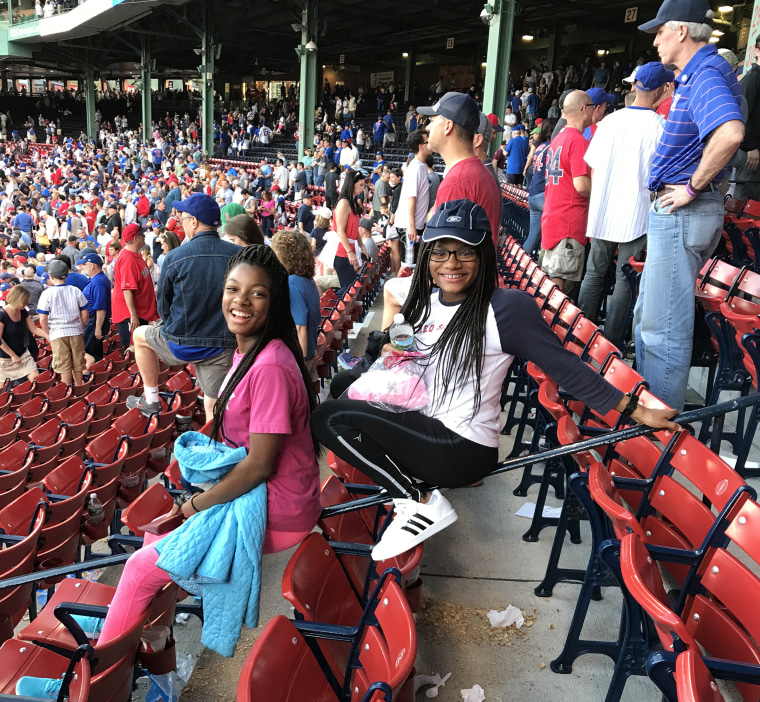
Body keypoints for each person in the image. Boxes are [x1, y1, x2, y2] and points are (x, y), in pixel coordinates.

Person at [14, 246, 322, 699]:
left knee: (139, 570)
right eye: (233, 289)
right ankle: (160, 663)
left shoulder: (272, 364)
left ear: (274, 301)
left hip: (279, 507)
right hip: (273, 494)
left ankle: (85, 683)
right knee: (158, 544)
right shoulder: (252, 351)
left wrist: (194, 504)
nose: (241, 300)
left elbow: (259, 464)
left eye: (256, 293)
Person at [312, 199, 680, 561]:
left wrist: (634, 409)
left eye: (464, 252)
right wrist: (393, 345)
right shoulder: (428, 299)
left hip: (461, 446)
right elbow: (402, 317)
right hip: (428, 423)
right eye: (439, 252)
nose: (450, 264)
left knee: (326, 418)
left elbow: (565, 366)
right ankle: (411, 499)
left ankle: (417, 500)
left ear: (483, 254)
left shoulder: (506, 307)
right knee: (346, 384)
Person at [634, 0, 745, 410]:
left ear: (681, 31)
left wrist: (692, 188)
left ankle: (657, 434)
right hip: (683, 211)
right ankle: (647, 414)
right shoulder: (699, 73)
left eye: (660, 31)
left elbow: (731, 132)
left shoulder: (706, 71)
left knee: (663, 328)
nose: (656, 39)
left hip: (684, 209)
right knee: (651, 319)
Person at [577, 63, 669, 348]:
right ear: (660, 89)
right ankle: (611, 345)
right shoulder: (660, 126)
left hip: (604, 208)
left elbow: (590, 164)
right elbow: (660, 177)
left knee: (594, 273)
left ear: (634, 87)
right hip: (636, 212)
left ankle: (580, 338)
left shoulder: (608, 122)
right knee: (623, 280)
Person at [127, 194, 239, 420]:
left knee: (139, 335)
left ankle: (151, 400)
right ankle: (216, 449)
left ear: (195, 222)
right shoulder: (238, 254)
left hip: (182, 343)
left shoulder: (174, 257)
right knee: (213, 407)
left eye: (184, 219)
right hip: (224, 344)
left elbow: (165, 309)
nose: (182, 223)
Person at [419, 92, 501, 248]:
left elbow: (446, 256)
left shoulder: (458, 181)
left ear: (448, 126)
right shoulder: (474, 170)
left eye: (431, 121)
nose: (427, 128)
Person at [540, 90, 594, 296]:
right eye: (591, 106)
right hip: (569, 223)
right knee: (559, 295)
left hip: (554, 218)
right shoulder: (578, 140)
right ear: (583, 109)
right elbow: (581, 185)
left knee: (551, 289)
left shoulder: (558, 138)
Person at [37, 259, 88, 386]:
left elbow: (42, 318)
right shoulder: (75, 290)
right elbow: (85, 313)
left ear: (51, 276)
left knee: (63, 364)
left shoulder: (47, 293)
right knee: (78, 362)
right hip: (76, 331)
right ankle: (79, 388)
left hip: (57, 333)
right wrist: (80, 326)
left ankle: (68, 392)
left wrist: (47, 333)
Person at [271, 230, 321, 360]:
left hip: (301, 357)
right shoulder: (308, 280)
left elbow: (300, 327)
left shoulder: (291, 284)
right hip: (311, 350)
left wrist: (301, 364)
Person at [111, 224, 158, 350]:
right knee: (135, 348)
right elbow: (127, 289)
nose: (144, 237)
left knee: (140, 347)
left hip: (140, 311)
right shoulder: (128, 259)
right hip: (131, 314)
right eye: (142, 235)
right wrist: (133, 315)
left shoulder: (134, 254)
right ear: (136, 238)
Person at [394, 130, 431, 269]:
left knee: (413, 265)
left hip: (414, 225)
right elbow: (411, 199)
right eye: (428, 141)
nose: (431, 143)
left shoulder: (420, 166)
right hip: (409, 226)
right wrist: (411, 227)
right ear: (421, 145)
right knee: (408, 267)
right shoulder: (415, 168)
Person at [522, 118, 557, 257]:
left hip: (533, 193)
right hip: (543, 194)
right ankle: (543, 268)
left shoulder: (541, 146)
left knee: (532, 236)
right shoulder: (551, 146)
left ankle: (521, 265)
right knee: (551, 236)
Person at [0, 285, 47, 385]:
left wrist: (48, 335)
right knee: (3, 392)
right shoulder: (2, 314)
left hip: (23, 354)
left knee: (37, 382)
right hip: (5, 359)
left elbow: (33, 328)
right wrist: (12, 355)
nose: (26, 304)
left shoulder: (23, 311)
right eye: (24, 302)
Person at [331, 170, 368, 293]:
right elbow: (341, 231)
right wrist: (349, 252)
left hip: (350, 248)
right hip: (342, 251)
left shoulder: (353, 203)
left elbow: (355, 230)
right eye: (361, 185)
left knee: (352, 288)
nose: (363, 188)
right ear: (352, 184)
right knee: (349, 289)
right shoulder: (344, 203)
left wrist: (362, 247)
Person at [733, 34, 760, 202]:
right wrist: (751, 147)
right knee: (746, 202)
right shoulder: (751, 79)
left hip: (754, 150)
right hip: (749, 152)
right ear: (757, 50)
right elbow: (742, 115)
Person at [80, 252, 111, 367]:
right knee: (94, 353)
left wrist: (98, 328)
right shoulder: (97, 280)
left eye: (85, 264)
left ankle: (89, 379)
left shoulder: (98, 282)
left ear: (92, 266)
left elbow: (101, 308)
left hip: (94, 322)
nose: (82, 267)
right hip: (93, 321)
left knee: (88, 355)